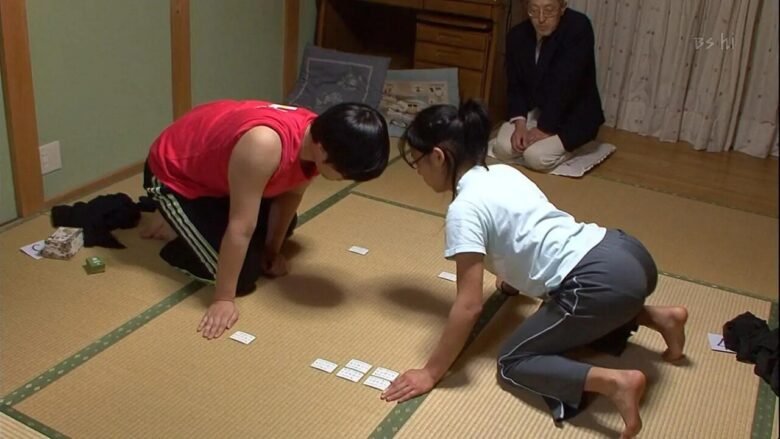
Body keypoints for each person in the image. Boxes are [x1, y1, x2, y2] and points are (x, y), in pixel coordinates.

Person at [380, 101, 688, 439]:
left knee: (514, 361)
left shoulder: (464, 209)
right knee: (571, 304)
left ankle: (616, 382)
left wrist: (430, 372)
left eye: (417, 162)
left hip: (597, 282)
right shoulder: (502, 172)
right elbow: (528, 230)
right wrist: (511, 281)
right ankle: (659, 317)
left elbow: (469, 306)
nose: (418, 172)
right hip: (623, 251)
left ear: (438, 157)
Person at [141, 99, 389, 340]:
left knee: (280, 228)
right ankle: (175, 229)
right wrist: (223, 299)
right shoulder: (264, 145)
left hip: (221, 176)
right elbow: (241, 228)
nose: (344, 180)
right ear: (323, 150)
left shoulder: (320, 135)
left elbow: (291, 194)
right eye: (345, 174)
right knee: (243, 277)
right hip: (176, 177)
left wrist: (272, 251)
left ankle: (194, 223)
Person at [493, 0, 605, 172]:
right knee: (503, 148)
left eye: (549, 10)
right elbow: (515, 86)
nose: (541, 18)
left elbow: (566, 85)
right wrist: (520, 124)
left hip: (573, 112)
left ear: (562, 7)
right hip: (537, 109)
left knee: (536, 157)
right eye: (534, 10)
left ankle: (576, 148)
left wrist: (545, 128)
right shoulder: (517, 35)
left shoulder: (578, 28)